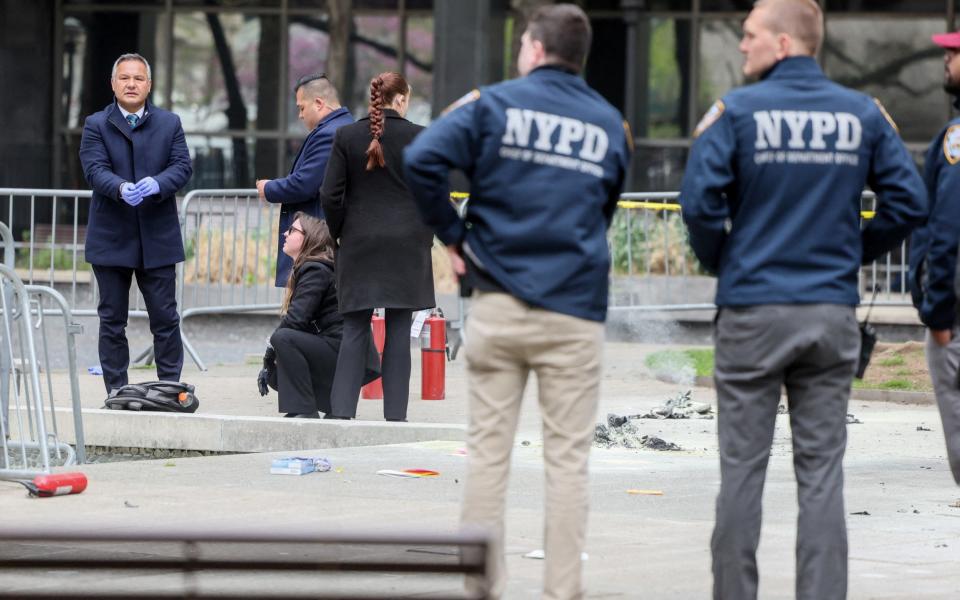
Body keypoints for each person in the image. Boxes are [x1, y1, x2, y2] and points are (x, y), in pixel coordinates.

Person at [679, 1, 927, 599]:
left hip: (753, 312)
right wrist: (856, 252)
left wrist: (725, 260)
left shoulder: (736, 111)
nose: (742, 46)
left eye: (750, 35)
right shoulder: (862, 113)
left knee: (741, 472)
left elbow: (698, 202)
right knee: (821, 477)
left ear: (784, 43)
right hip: (829, 312)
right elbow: (909, 201)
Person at [403, 5, 631, 598]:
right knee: (567, 464)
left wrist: (455, 238)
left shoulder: (492, 104)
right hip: (575, 312)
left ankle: (481, 588)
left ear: (532, 47)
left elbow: (421, 157)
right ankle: (562, 591)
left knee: (488, 457)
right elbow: (604, 206)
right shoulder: (609, 123)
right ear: (579, 57)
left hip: (499, 302)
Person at [320, 71, 434, 422]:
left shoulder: (346, 136)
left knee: (354, 328)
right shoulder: (421, 138)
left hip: (359, 242)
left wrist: (342, 233)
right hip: (407, 245)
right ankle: (395, 417)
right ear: (400, 100)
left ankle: (342, 415)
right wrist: (424, 235)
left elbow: (329, 195)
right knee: (399, 330)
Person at [79, 53, 193, 394]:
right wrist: (119, 187)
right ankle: (117, 389)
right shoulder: (96, 124)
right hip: (111, 236)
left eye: (138, 78)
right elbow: (94, 168)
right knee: (112, 320)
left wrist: (159, 183)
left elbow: (182, 166)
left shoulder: (169, 123)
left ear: (149, 85)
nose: (131, 84)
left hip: (157, 235)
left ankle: (170, 388)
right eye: (125, 78)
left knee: (165, 318)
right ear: (113, 84)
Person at [907, 30, 960, 488]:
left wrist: (937, 310)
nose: (947, 59)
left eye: (956, 52)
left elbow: (946, 231)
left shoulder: (956, 142)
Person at [256, 74, 353, 287]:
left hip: (316, 241)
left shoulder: (329, 133)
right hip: (327, 239)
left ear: (319, 103)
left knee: (305, 312)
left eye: (301, 107)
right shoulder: (341, 127)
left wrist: (269, 188)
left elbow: (305, 184)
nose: (300, 115)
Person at [260, 212, 344, 419]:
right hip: (334, 348)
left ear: (308, 238)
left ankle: (305, 410)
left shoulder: (316, 269)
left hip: (339, 350)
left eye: (292, 230)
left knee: (282, 339)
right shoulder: (314, 267)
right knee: (276, 366)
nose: (284, 234)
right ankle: (309, 407)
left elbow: (296, 319)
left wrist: (270, 351)